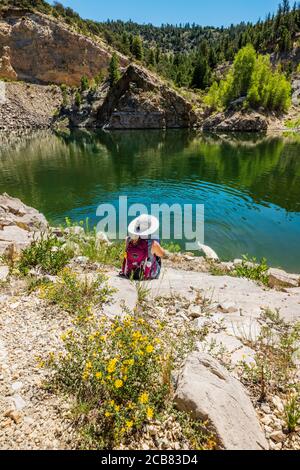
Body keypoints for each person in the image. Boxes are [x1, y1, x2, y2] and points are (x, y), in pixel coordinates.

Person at [120, 214, 165, 280]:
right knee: (157, 250)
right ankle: (150, 271)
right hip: (146, 275)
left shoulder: (128, 240)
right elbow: (162, 255)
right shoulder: (153, 243)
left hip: (129, 273)